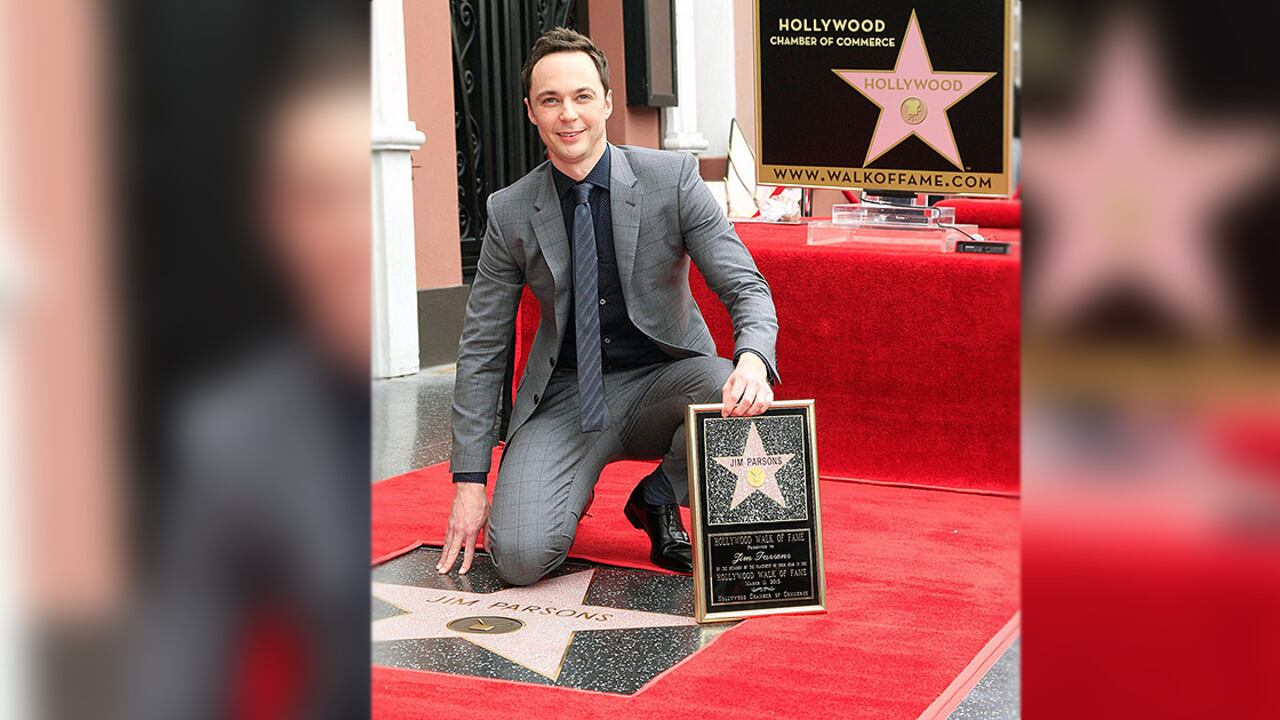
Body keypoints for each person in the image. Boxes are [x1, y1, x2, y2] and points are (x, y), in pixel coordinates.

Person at [439, 27, 779, 585]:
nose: (568, 114)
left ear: (607, 102)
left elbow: (746, 285)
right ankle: (569, 481)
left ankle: (660, 493)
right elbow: (482, 349)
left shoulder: (672, 179)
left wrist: (753, 359)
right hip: (568, 395)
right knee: (520, 560)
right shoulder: (509, 210)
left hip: (664, 382)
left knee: (730, 390)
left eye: (581, 97)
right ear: (531, 111)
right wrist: (470, 481)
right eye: (550, 100)